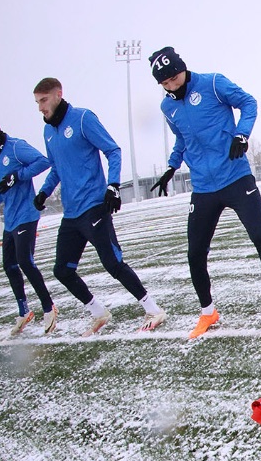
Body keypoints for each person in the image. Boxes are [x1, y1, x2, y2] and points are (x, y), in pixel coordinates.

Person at [147, 47, 261, 340]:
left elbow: (248, 102)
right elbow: (181, 139)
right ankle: (208, 312)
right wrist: (172, 166)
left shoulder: (213, 83)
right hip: (203, 187)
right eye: (165, 83)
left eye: (174, 78)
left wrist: (242, 134)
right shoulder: (167, 107)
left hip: (236, 177)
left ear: (182, 69)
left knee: (260, 237)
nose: (171, 85)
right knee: (195, 253)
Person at [32, 77, 166, 336]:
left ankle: (154, 309)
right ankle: (98, 312)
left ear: (58, 94)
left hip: (94, 206)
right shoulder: (48, 132)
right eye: (37, 102)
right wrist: (44, 192)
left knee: (113, 264)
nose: (40, 107)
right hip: (71, 214)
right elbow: (56, 168)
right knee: (62, 270)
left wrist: (112, 186)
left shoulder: (83, 119)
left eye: (44, 100)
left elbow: (112, 150)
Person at [0, 114, 59, 336]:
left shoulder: (15, 146)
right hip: (10, 219)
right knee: (9, 265)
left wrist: (18, 175)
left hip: (26, 215)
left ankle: (48, 307)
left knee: (25, 262)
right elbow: (2, 186)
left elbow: (43, 161)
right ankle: (24, 312)